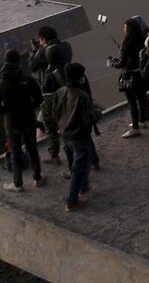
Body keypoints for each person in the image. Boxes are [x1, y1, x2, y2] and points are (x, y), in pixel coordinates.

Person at [0, 49, 45, 191]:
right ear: (18, 62)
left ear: (5, 62)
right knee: (32, 148)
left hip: (12, 122)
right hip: (28, 119)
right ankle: (38, 178)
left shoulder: (0, 84)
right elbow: (39, 98)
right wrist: (30, 108)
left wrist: (6, 113)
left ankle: (18, 184)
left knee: (15, 152)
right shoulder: (28, 80)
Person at [54, 62, 96, 211]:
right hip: (80, 136)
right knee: (79, 168)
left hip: (65, 135)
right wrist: (96, 114)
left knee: (77, 165)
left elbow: (55, 113)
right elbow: (88, 119)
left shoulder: (59, 92)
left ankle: (83, 187)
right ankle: (72, 200)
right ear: (79, 77)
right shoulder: (82, 96)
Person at [36, 26, 72, 165]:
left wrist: (38, 51)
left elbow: (33, 66)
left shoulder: (50, 76)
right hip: (67, 94)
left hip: (52, 99)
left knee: (50, 127)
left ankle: (55, 156)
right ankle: (91, 159)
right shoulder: (67, 53)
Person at [116, 17, 148, 138]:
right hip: (140, 74)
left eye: (125, 27)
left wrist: (112, 62)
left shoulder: (126, 44)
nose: (124, 30)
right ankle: (142, 121)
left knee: (132, 102)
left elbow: (121, 64)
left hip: (129, 76)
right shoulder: (143, 40)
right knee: (141, 98)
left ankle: (135, 128)